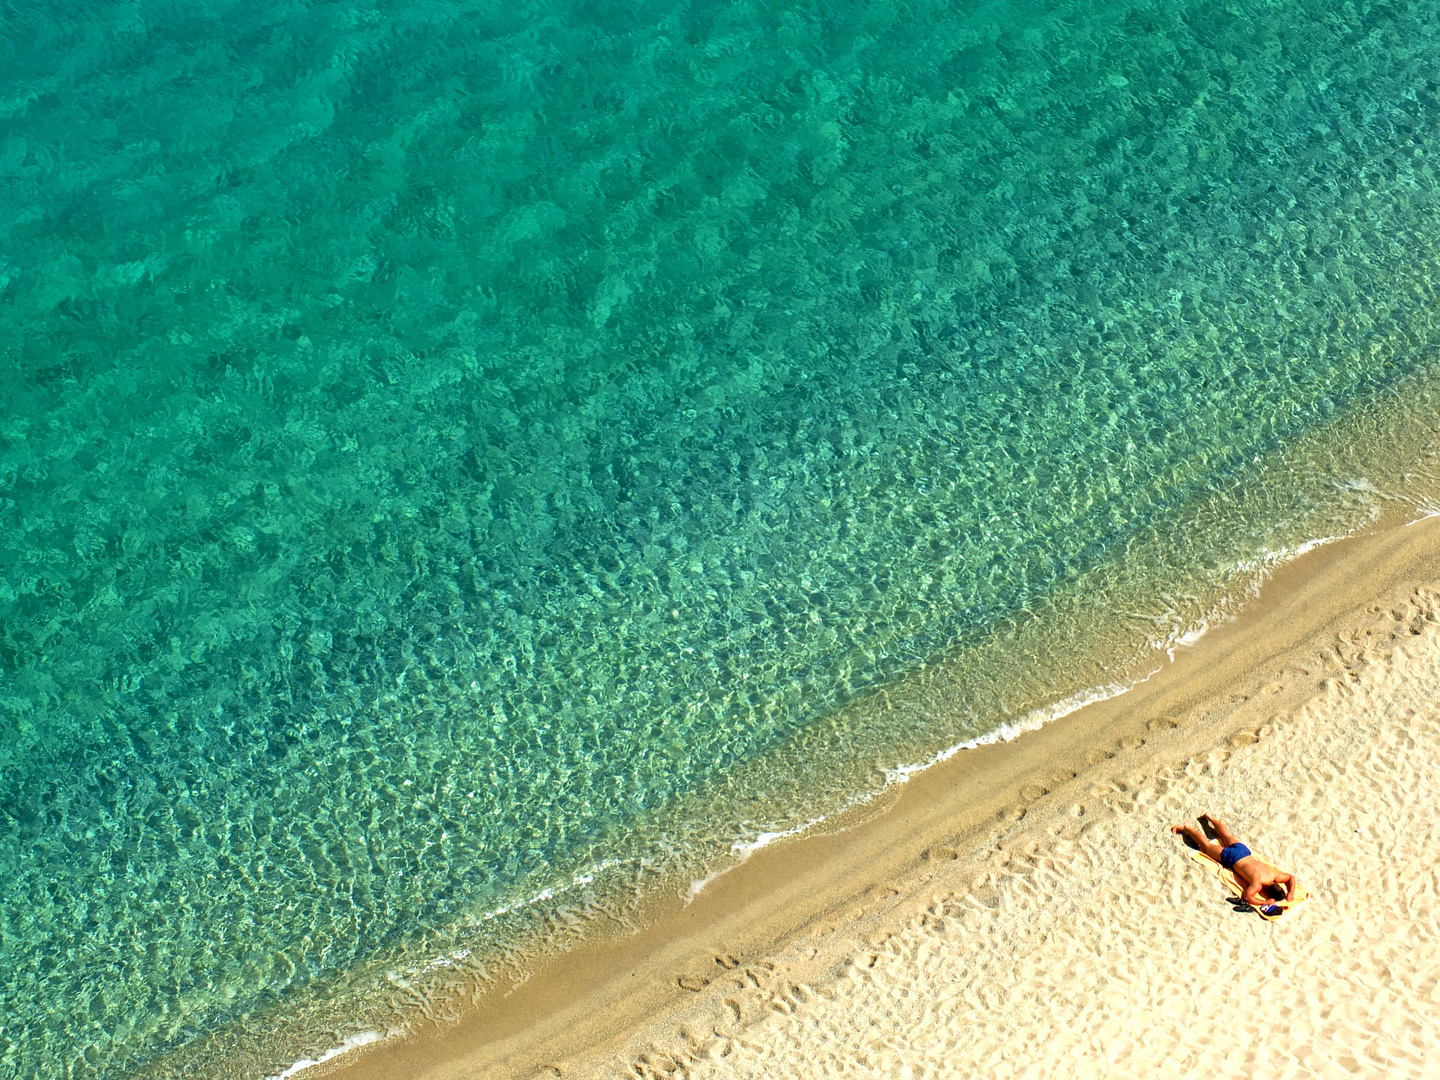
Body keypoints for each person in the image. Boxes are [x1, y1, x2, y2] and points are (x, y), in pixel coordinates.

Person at [1170, 813, 1298, 911]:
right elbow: (1248, 897)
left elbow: (1290, 878)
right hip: (1233, 858)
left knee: (1227, 837)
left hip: (1244, 852)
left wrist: (1290, 892)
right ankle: (1186, 827)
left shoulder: (1275, 875)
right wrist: (1264, 902)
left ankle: (1210, 817)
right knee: (1206, 846)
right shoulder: (1258, 884)